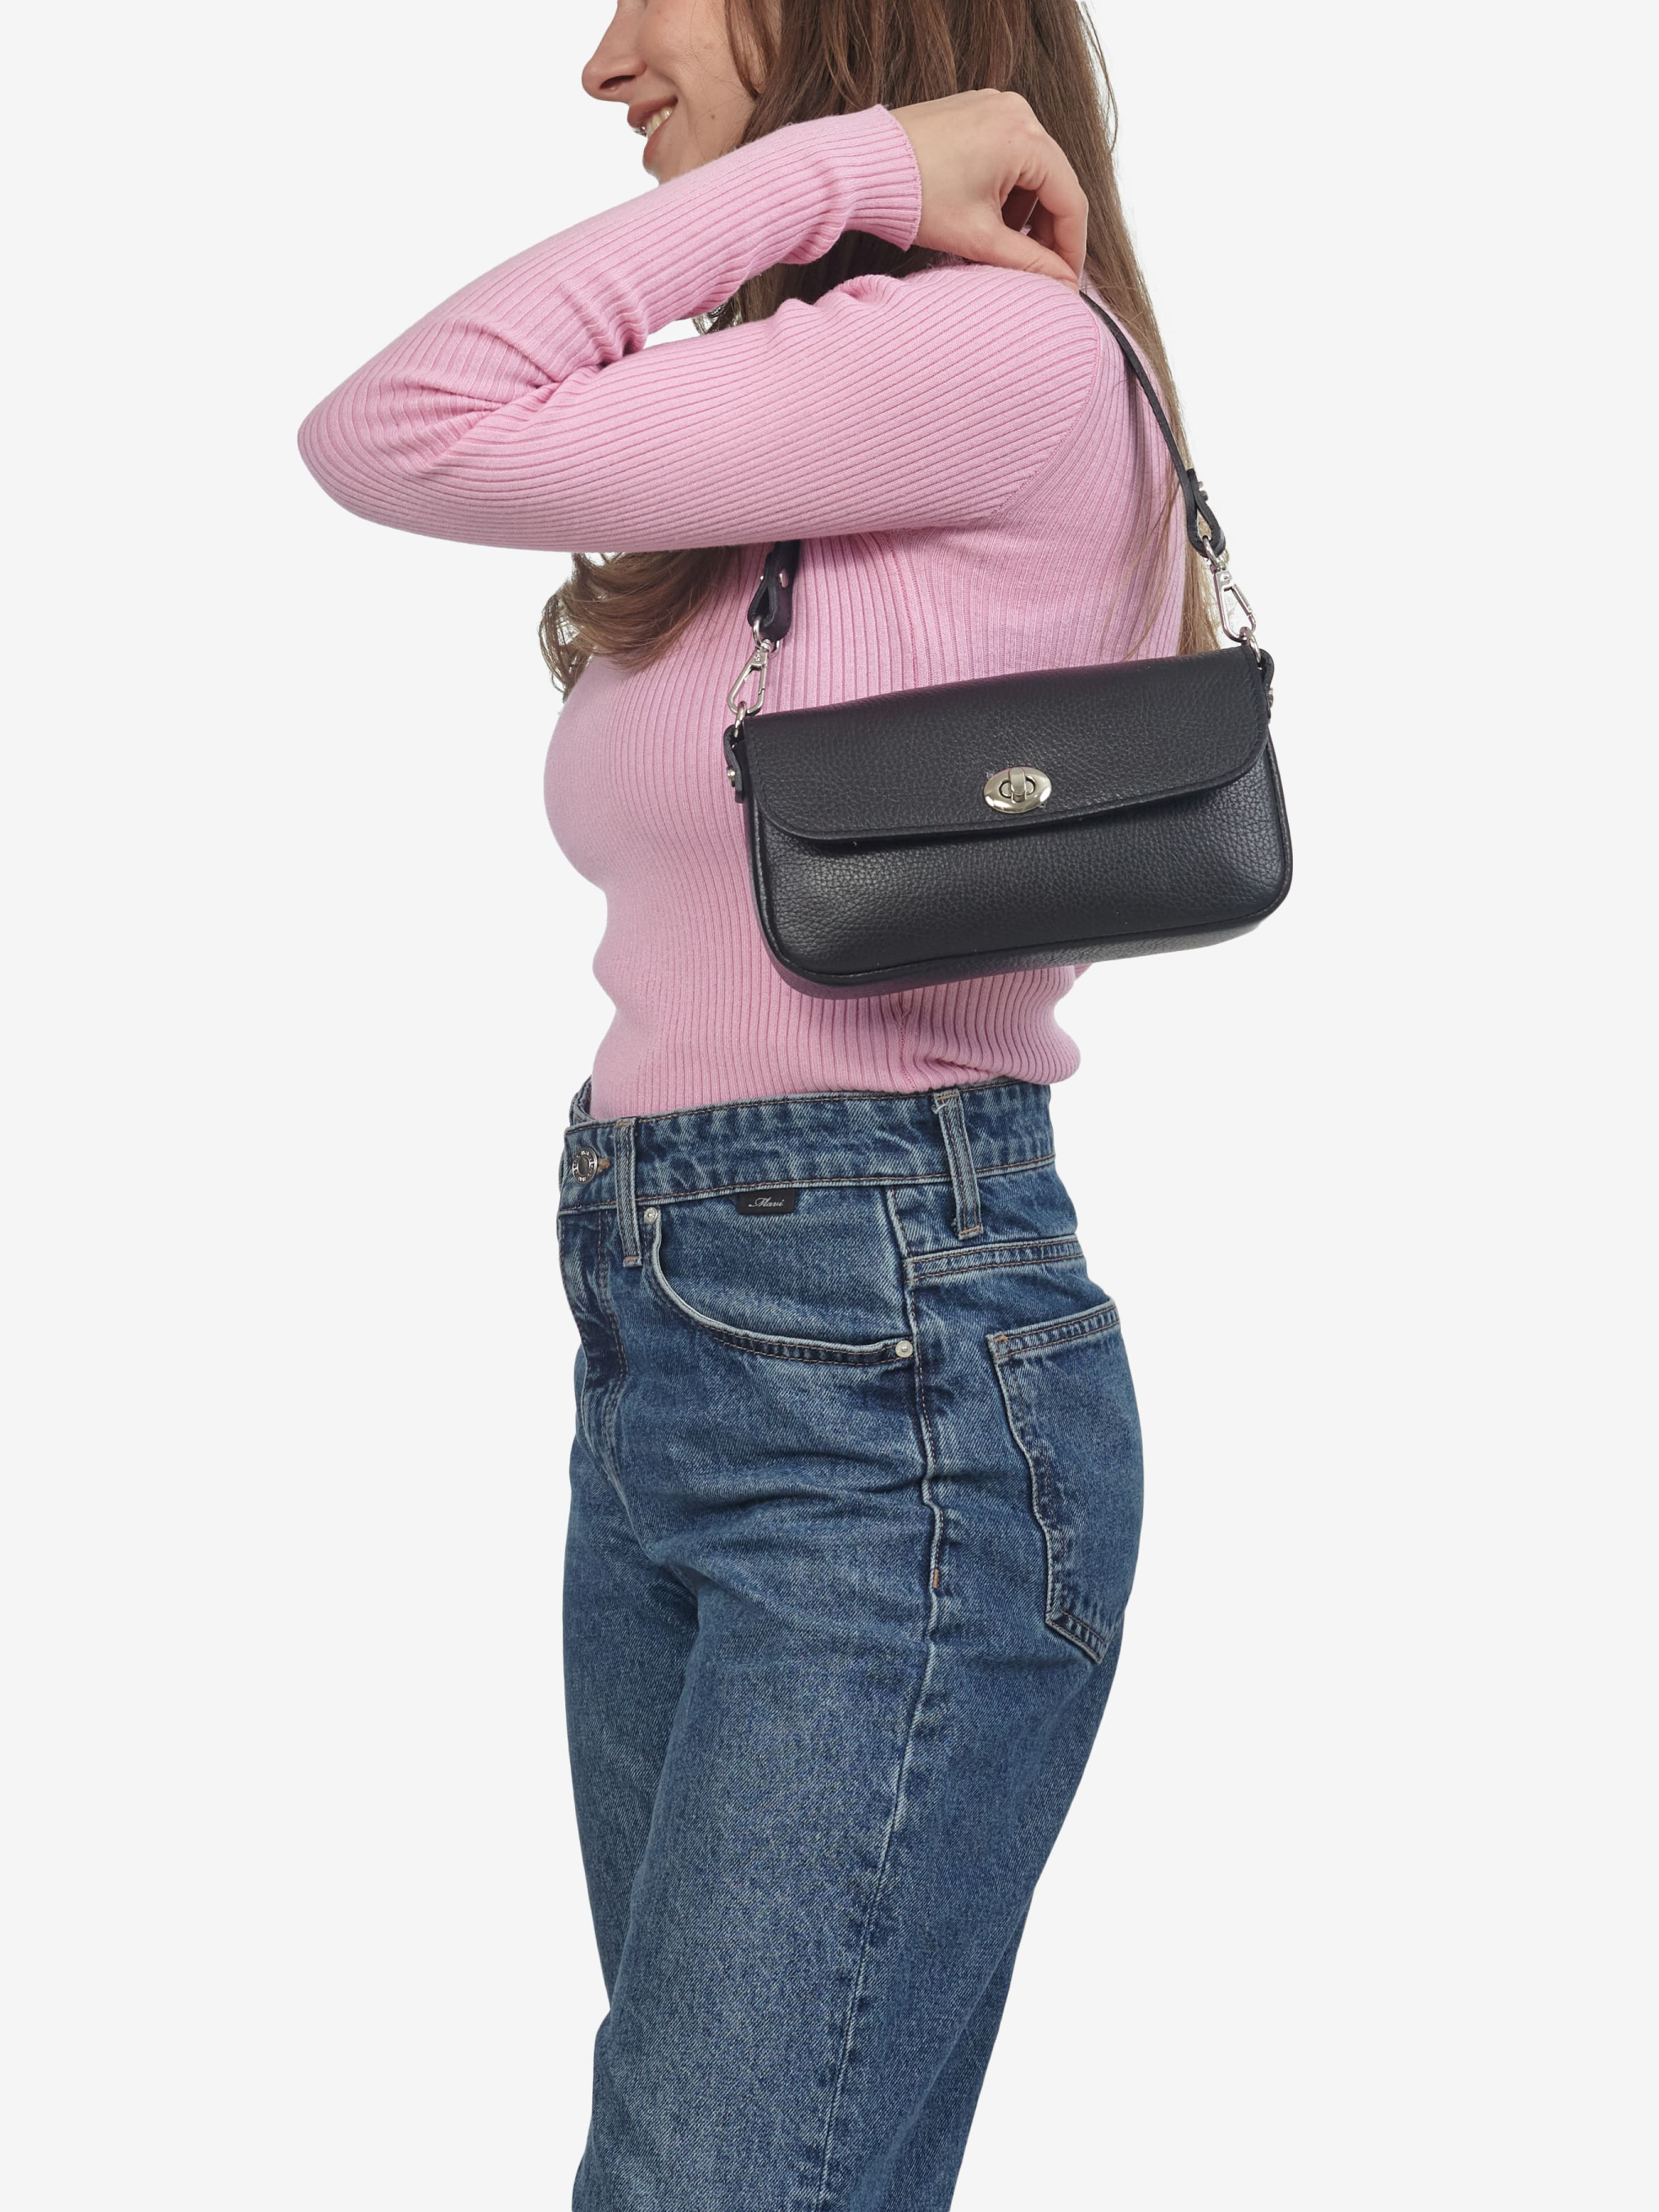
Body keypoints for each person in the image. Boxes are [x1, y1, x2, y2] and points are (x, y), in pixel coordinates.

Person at [299, 3, 1216, 2204]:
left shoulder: (992, 355)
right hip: (688, 1339)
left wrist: (856, 166)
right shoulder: (806, 419)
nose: (603, 58)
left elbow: (392, 424)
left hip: (879, 1358)